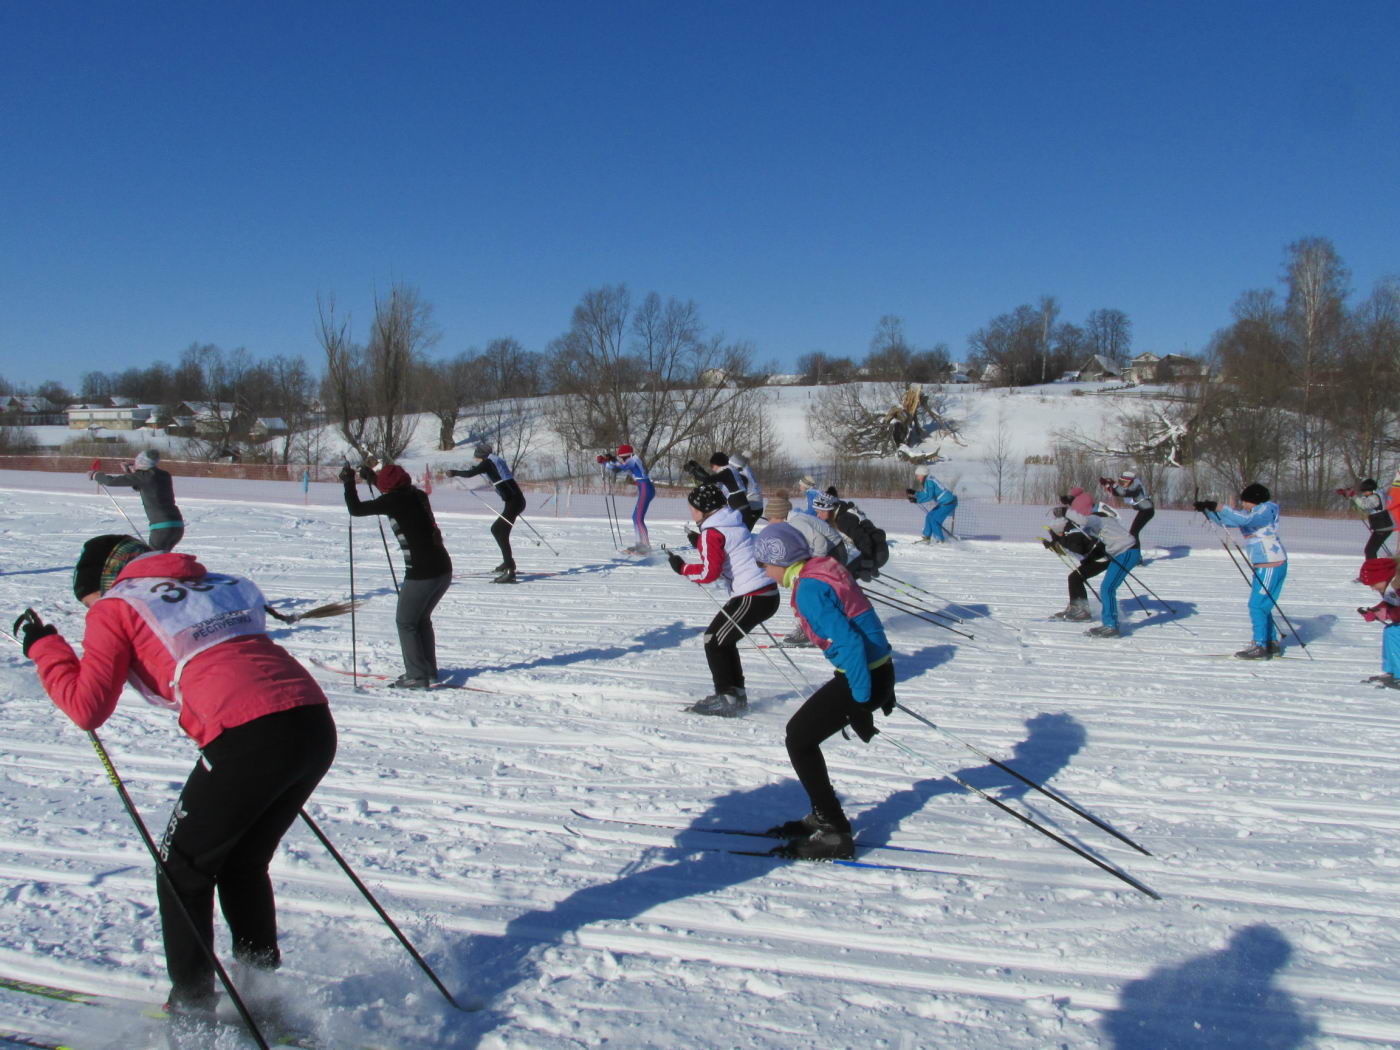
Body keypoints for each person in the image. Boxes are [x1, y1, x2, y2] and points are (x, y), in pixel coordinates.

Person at [14, 534, 336, 1024]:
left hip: (249, 737)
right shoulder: (214, 584)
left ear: (105, 581)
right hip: (310, 723)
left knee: (181, 869)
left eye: (89, 598)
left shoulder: (115, 607)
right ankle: (261, 992)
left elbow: (87, 708)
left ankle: (193, 1007)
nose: (92, 610)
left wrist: (46, 648)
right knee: (241, 863)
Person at [750, 522, 895, 860]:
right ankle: (822, 813)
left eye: (765, 565)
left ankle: (833, 831)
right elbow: (865, 622)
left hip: (863, 676)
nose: (766, 572)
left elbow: (849, 641)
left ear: (781, 560)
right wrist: (884, 685)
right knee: (802, 735)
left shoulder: (809, 589)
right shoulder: (822, 568)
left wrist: (862, 703)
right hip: (876, 671)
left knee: (798, 738)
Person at [667, 483, 779, 717]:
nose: (692, 513)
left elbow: (710, 572)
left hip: (753, 595)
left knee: (714, 640)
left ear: (704, 509)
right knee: (721, 640)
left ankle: (728, 698)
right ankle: (733, 694)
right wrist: (698, 542)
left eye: (693, 509)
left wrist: (682, 567)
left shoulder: (712, 531)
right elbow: (727, 546)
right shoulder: (731, 521)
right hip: (763, 593)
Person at [341, 462, 453, 686]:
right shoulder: (417, 495)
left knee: (405, 622)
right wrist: (372, 478)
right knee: (420, 620)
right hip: (442, 568)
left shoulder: (392, 501)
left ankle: (416, 676)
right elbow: (391, 491)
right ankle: (427, 670)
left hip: (422, 572)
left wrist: (349, 482)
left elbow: (356, 509)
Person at [1196, 483, 1287, 659]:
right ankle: (1270, 642)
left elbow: (1244, 520)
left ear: (1255, 500)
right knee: (1262, 605)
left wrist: (1220, 506)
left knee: (1257, 605)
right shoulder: (1254, 512)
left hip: (1270, 562)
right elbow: (1230, 521)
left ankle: (1260, 645)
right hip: (1264, 563)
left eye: (1245, 502)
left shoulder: (1265, 510)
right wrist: (1208, 511)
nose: (1243, 505)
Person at [760, 490, 848, 646]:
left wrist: (814, 566)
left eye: (770, 519)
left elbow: (820, 541)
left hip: (834, 552)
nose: (769, 523)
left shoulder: (797, 522)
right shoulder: (794, 521)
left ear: (779, 516)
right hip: (832, 550)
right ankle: (819, 626)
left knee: (807, 589)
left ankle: (809, 630)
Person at [447, 442, 526, 583]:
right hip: (515, 501)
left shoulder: (488, 463)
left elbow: (470, 473)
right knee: (501, 532)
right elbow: (486, 471)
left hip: (514, 502)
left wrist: (454, 472)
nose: (475, 456)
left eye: (477, 454)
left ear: (481, 454)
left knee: (497, 530)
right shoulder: (493, 461)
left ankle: (510, 570)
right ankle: (508, 563)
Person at [89, 450, 185, 551]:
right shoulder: (164, 475)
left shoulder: (144, 476)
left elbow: (111, 481)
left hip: (161, 527)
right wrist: (132, 470)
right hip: (177, 525)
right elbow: (142, 485)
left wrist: (96, 475)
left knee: (153, 560)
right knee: (162, 559)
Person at [1071, 503, 1140, 639]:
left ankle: (1111, 626)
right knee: (1106, 588)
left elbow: (1083, 520)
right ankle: (1109, 624)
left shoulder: (1100, 519)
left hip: (1127, 552)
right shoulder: (1103, 524)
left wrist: (1066, 512)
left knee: (1107, 588)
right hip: (1121, 554)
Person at [812, 490, 887, 581]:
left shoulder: (843, 520)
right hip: (876, 549)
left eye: (819, 512)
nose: (818, 516)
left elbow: (864, 540)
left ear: (828, 509)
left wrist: (866, 565)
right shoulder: (841, 511)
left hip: (877, 552)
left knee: (843, 578)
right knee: (845, 574)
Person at [597, 444, 654, 553]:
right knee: (635, 517)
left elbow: (617, 469)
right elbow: (620, 465)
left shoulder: (632, 460)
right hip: (645, 488)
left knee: (638, 518)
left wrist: (605, 462)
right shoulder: (632, 459)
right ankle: (640, 544)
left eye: (623, 457)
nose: (622, 459)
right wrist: (612, 459)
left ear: (628, 455)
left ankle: (645, 546)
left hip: (646, 488)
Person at [1356, 557, 1400, 689]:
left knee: (1394, 631)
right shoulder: (1392, 586)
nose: (1372, 588)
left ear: (1383, 577)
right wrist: (1376, 611)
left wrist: (1383, 612)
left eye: (1373, 584)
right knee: (1390, 630)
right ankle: (1392, 671)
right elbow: (1393, 604)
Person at [684, 453, 756, 528]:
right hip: (741, 502)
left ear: (716, 464)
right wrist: (699, 469)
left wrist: (693, 470)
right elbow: (712, 479)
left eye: (712, 466)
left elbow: (708, 479)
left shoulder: (727, 472)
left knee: (736, 529)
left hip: (737, 503)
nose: (712, 469)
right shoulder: (731, 471)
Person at [1337, 479, 1394, 560]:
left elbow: (1363, 505)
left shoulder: (1375, 497)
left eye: (1364, 491)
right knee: (1370, 550)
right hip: (1383, 527)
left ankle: (1373, 569)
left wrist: (1353, 495)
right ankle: (1374, 568)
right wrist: (1347, 495)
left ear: (1370, 489)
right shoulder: (1375, 494)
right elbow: (1362, 503)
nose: (1363, 493)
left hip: (1383, 528)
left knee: (1370, 550)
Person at [906, 465, 957, 543]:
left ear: (923, 474)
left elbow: (929, 496)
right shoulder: (928, 480)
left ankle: (940, 540)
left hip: (948, 503)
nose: (917, 477)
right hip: (944, 502)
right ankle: (927, 537)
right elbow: (926, 493)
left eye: (918, 475)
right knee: (929, 516)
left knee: (934, 520)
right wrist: (915, 493)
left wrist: (917, 500)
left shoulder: (929, 481)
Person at [1100, 469, 1155, 540]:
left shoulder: (1136, 486)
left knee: (1133, 533)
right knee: (1133, 533)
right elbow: (1117, 493)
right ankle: (1133, 549)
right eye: (1121, 482)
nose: (1123, 484)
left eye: (1124, 482)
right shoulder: (1131, 486)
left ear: (1130, 481)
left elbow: (1125, 493)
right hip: (1144, 510)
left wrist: (1114, 484)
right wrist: (1107, 485)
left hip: (1147, 511)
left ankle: (1134, 550)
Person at [728, 451, 764, 522]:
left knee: (741, 530)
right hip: (757, 506)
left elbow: (738, 493)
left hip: (751, 505)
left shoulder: (740, 474)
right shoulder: (746, 469)